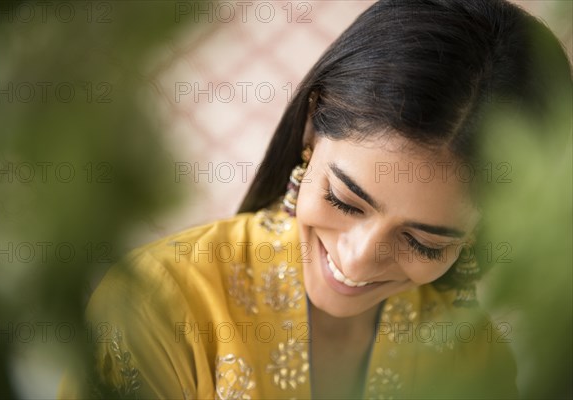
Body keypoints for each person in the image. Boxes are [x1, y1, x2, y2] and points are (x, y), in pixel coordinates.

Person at [59, 0, 571, 398]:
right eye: (346, 201)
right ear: (311, 127)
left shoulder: (473, 355)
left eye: (423, 242)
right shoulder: (156, 308)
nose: (358, 258)